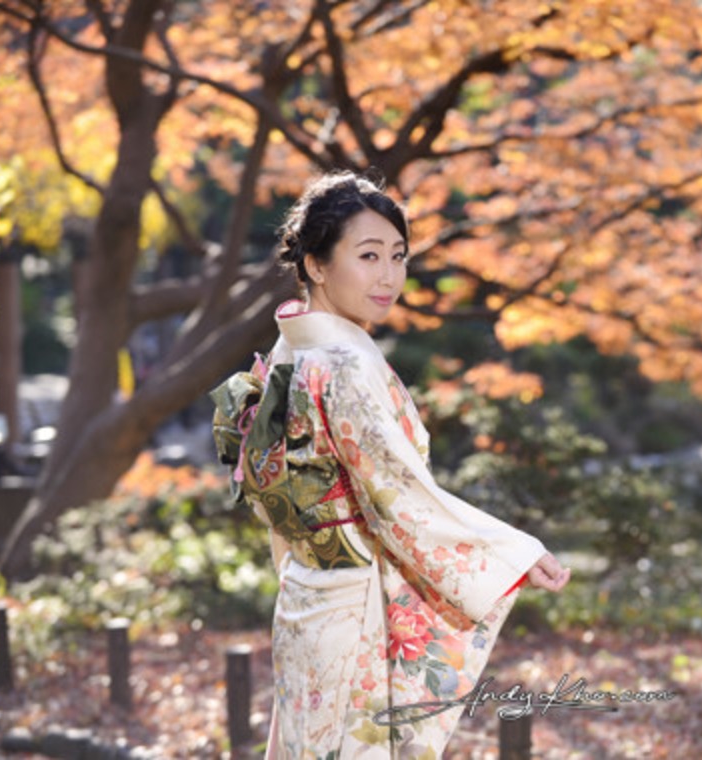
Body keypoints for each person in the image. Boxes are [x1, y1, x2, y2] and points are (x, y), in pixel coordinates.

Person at [210, 170, 570, 759]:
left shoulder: (290, 349)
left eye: (398, 256)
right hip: (352, 604)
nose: (388, 276)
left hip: (306, 591)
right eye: (368, 255)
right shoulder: (342, 363)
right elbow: (398, 494)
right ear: (316, 265)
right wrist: (515, 553)